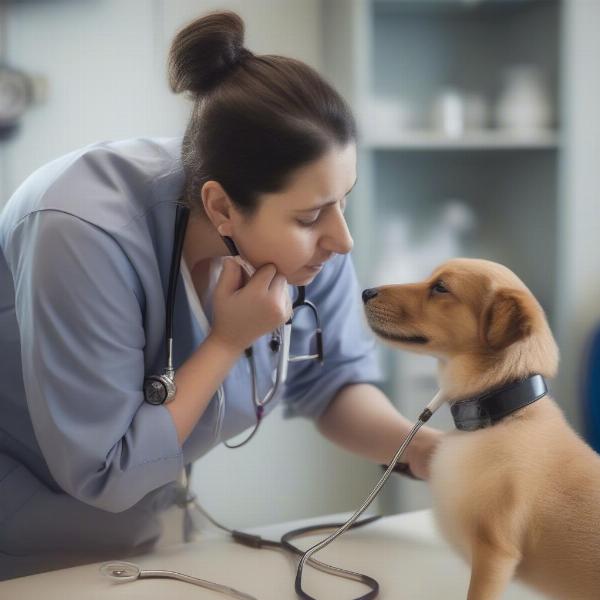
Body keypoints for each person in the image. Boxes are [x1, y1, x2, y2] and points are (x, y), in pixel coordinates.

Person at [0, 11, 441, 580]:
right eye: (311, 215)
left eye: (344, 199)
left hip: (141, 533)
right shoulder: (82, 232)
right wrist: (228, 341)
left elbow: (330, 384)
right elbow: (106, 472)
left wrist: (432, 454)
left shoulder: (306, 234)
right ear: (222, 207)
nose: (342, 238)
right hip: (20, 537)